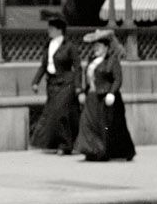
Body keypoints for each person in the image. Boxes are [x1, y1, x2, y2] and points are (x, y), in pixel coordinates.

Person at [74, 27, 136, 162]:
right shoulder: (92, 60)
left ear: (106, 47)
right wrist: (83, 92)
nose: (95, 48)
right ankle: (90, 150)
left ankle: (106, 152)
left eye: (98, 46)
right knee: (87, 124)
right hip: (92, 97)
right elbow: (89, 79)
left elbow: (117, 79)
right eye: (94, 46)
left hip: (105, 97)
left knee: (108, 127)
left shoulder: (112, 61)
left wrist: (112, 93)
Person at [30, 13, 81, 153]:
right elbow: (43, 66)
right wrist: (35, 82)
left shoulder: (69, 46)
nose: (49, 31)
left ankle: (65, 145)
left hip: (66, 82)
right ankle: (56, 143)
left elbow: (77, 67)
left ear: (59, 30)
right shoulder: (48, 46)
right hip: (52, 83)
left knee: (61, 112)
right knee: (52, 114)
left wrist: (78, 86)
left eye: (51, 28)